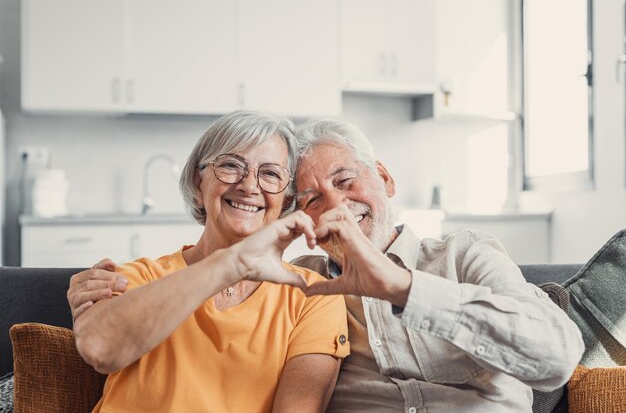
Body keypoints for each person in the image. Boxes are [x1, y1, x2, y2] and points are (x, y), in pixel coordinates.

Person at [70, 117, 584, 412]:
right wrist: (229, 265)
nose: (335, 205)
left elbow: (556, 357)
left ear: (383, 178)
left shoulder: (461, 255)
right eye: (311, 198)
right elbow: (103, 343)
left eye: (344, 180)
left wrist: (403, 287)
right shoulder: (308, 285)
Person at [71, 110, 350, 413]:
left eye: (270, 173)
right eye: (230, 165)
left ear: (286, 198)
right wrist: (231, 264)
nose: (249, 185)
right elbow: (100, 348)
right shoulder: (141, 277)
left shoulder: (313, 297)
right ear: (197, 180)